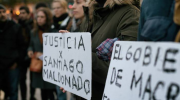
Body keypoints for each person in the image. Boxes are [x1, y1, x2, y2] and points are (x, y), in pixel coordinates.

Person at [60, 0, 140, 99]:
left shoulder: (130, 14)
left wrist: (80, 54)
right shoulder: (91, 13)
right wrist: (71, 76)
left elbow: (124, 72)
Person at [27, 8, 56, 100]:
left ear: (47, 18)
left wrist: (44, 54)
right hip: (39, 66)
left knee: (52, 92)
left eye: (42, 17)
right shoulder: (34, 32)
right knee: (43, 91)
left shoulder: (54, 31)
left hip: (51, 67)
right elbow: (31, 45)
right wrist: (30, 50)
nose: (39, 19)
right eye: (38, 17)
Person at [0, 4, 24, 100]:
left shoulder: (15, 27)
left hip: (12, 65)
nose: (1, 15)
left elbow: (21, 46)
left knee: (13, 90)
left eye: (3, 12)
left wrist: (17, 62)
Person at [18, 6, 35, 100]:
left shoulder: (33, 25)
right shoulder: (18, 25)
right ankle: (24, 97)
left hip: (32, 56)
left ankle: (32, 96)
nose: (21, 15)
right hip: (21, 57)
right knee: (22, 80)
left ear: (29, 14)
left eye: (23, 13)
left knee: (33, 80)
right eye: (20, 13)